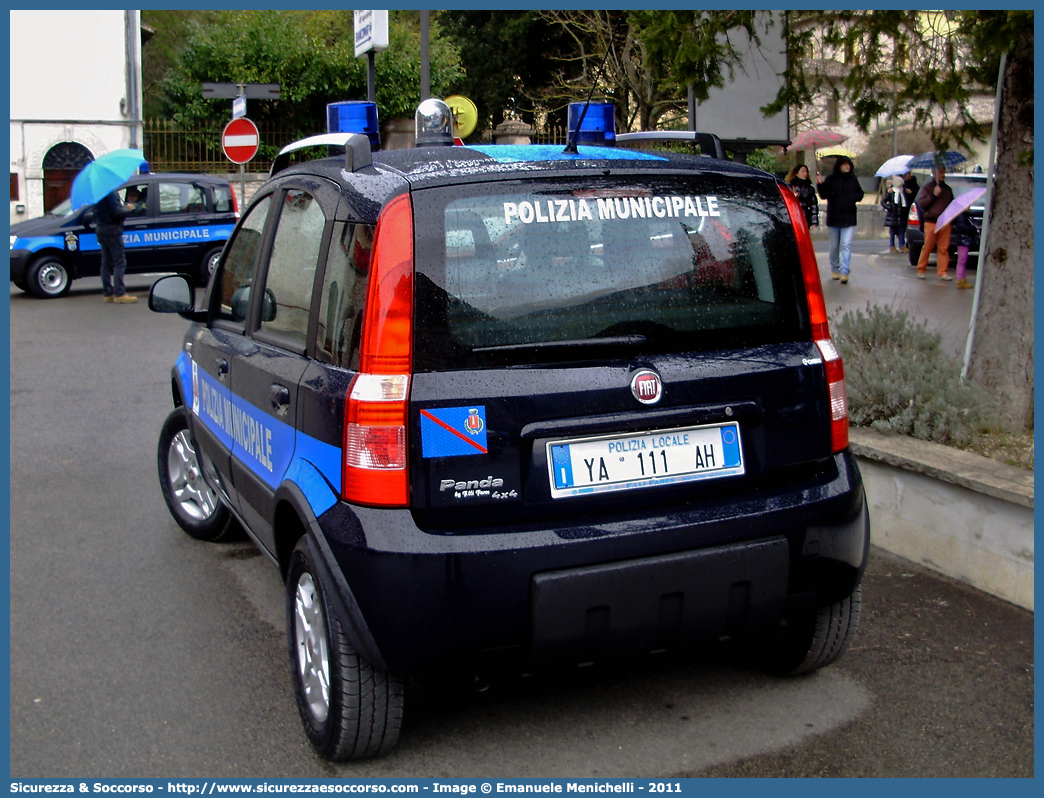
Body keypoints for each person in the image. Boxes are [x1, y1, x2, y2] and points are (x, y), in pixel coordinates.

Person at [816, 155, 864, 284]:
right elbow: (824, 194)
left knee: (846, 245)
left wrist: (852, 197)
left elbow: (860, 194)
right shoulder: (831, 179)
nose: (847, 167)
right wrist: (820, 184)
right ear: (839, 166)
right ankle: (835, 269)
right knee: (834, 246)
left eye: (849, 164)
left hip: (849, 216)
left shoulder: (853, 179)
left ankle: (844, 271)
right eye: (844, 164)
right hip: (834, 217)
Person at [93, 189, 138, 303]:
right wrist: (128, 209)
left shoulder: (98, 193)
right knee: (119, 262)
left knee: (106, 262)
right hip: (112, 230)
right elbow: (116, 213)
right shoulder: (110, 193)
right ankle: (120, 294)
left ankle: (108, 293)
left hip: (101, 229)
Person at [914, 165, 955, 281]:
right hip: (931, 221)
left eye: (944, 172)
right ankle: (921, 269)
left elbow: (952, 205)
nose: (943, 175)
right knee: (928, 246)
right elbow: (922, 204)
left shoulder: (947, 189)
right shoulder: (927, 188)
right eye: (940, 172)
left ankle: (942, 272)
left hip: (945, 221)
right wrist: (934, 195)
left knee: (943, 248)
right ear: (934, 173)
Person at [950, 209, 978, 290]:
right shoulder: (961, 217)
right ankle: (960, 279)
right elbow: (961, 228)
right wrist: (973, 228)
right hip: (963, 240)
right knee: (962, 260)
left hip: (964, 240)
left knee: (963, 260)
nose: (969, 207)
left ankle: (962, 278)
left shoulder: (964, 216)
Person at [785, 164, 819, 229]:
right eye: (803, 171)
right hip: (793, 216)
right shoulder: (790, 186)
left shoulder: (810, 188)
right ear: (796, 173)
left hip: (805, 217)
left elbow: (814, 205)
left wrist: (814, 221)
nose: (805, 173)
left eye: (806, 172)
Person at [881, 176, 908, 253]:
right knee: (892, 232)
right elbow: (883, 202)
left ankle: (902, 245)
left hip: (900, 216)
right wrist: (889, 207)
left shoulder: (902, 193)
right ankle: (892, 246)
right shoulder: (891, 193)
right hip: (893, 216)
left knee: (901, 231)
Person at [899, 170, 919, 252]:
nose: (909, 176)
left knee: (909, 226)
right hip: (902, 208)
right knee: (901, 227)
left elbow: (918, 192)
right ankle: (901, 244)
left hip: (910, 207)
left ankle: (908, 243)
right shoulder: (901, 184)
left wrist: (911, 192)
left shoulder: (913, 183)